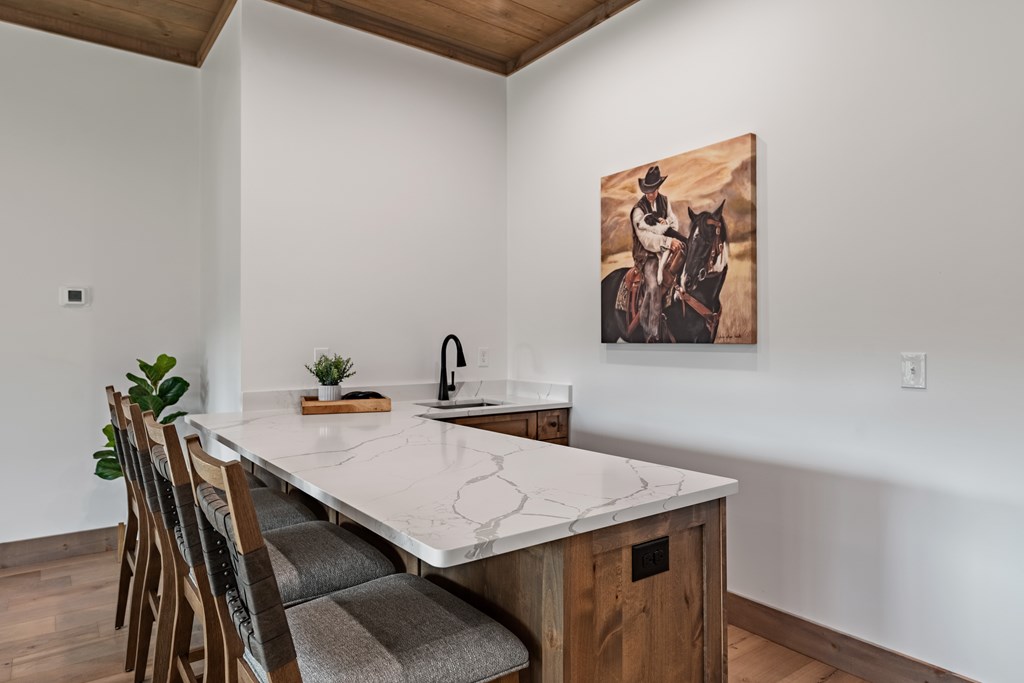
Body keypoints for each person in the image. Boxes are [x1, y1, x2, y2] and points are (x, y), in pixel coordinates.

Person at [630, 165, 685, 342]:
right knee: (653, 286)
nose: (650, 194)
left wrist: (665, 222)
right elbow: (646, 240)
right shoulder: (638, 210)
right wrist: (668, 240)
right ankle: (652, 333)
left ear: (657, 187)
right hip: (647, 256)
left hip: (666, 248)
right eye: (647, 190)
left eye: (652, 190)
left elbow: (674, 223)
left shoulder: (665, 201)